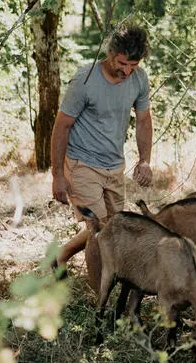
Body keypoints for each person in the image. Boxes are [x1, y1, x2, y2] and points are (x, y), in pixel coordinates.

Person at [50, 22, 154, 282]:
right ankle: (101, 301)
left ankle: (61, 255)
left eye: (134, 64)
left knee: (113, 226)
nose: (128, 71)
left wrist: (145, 160)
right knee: (98, 231)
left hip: (114, 165)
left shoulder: (139, 79)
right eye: (122, 63)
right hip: (81, 164)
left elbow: (143, 120)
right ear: (110, 53)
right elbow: (61, 126)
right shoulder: (85, 81)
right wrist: (57, 176)